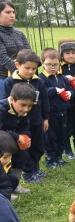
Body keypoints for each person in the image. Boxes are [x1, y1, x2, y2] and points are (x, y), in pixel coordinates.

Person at [1, 49, 49, 181]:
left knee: (37, 146)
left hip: (35, 120)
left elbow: (45, 101)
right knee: (23, 149)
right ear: (17, 65)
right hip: (17, 123)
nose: (30, 71)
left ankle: (35, 169)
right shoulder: (10, 82)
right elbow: (7, 102)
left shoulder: (38, 82)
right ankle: (27, 173)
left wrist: (46, 118)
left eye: (34, 68)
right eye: (27, 68)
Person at [39, 48, 75, 167]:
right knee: (50, 137)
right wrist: (54, 90)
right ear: (42, 63)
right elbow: (42, 93)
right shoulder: (41, 79)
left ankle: (59, 157)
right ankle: (51, 159)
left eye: (55, 64)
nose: (53, 67)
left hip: (63, 112)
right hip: (50, 114)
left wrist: (70, 93)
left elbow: (70, 88)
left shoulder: (62, 77)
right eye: (49, 64)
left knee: (62, 136)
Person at [0, 83, 35, 182]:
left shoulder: (23, 111)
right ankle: (4, 187)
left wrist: (26, 137)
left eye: (30, 106)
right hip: (2, 141)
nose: (26, 109)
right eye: (23, 105)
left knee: (22, 156)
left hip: (12, 140)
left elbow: (25, 127)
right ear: (11, 100)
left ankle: (14, 185)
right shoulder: (1, 109)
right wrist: (17, 137)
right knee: (3, 160)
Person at [0, 1, 31, 87]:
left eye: (13, 12)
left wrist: (35, 63)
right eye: (8, 12)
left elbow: (29, 52)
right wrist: (21, 70)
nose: (12, 15)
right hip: (4, 78)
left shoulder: (19, 33)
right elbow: (2, 57)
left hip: (23, 76)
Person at [0, 131, 30, 201]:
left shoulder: (7, 163)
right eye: (5, 157)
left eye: (10, 156)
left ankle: (7, 194)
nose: (8, 160)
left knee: (13, 179)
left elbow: (5, 180)